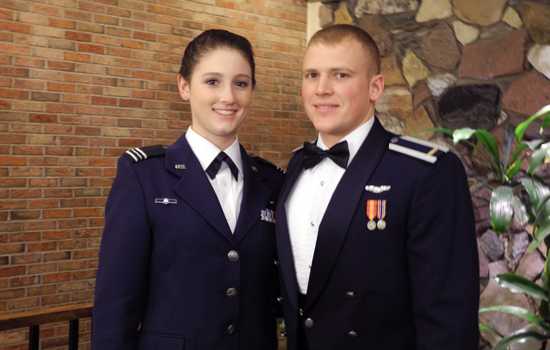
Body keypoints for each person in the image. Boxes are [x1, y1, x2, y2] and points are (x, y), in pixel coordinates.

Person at [275, 24, 479, 349]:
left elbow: (449, 316)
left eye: (340, 75)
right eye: (311, 75)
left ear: (375, 87)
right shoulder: (297, 165)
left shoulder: (425, 173)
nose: (321, 89)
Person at [92, 29, 284, 350]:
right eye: (212, 81)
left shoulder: (271, 181)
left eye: (241, 83)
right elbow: (117, 299)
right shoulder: (143, 175)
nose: (228, 97)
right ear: (184, 86)